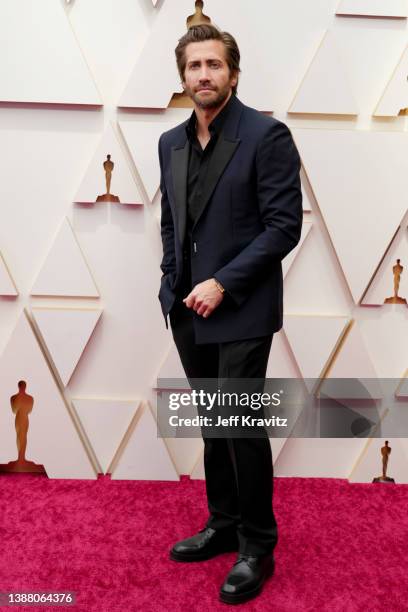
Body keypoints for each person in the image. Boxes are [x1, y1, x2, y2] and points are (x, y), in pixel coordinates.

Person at [157, 23, 302, 605]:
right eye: (194, 67)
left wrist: (223, 282)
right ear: (183, 77)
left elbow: (282, 227)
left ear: (233, 73)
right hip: (187, 308)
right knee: (213, 426)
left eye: (214, 65)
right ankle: (222, 524)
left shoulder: (267, 135)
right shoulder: (169, 141)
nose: (204, 76)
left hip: (240, 307)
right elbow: (174, 220)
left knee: (241, 428)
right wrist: (173, 281)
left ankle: (257, 545)